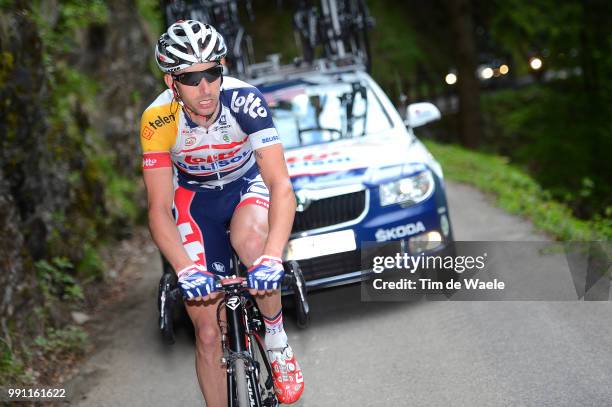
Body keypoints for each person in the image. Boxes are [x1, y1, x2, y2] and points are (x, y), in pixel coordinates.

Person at [140, 20, 304, 406]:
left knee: (251, 243)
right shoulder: (157, 120)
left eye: (212, 73)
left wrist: (273, 257)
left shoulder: (245, 100)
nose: (205, 88)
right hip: (194, 199)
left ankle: (277, 340)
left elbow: (281, 185)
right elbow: (159, 208)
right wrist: (183, 268)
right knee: (209, 334)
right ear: (171, 83)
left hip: (246, 185)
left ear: (222, 68)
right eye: (191, 78)